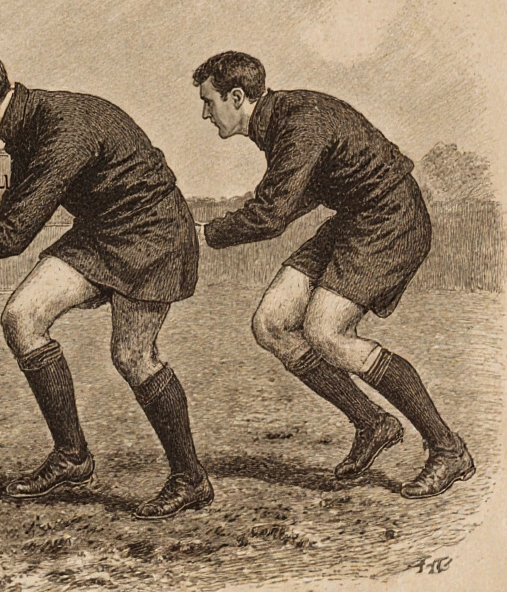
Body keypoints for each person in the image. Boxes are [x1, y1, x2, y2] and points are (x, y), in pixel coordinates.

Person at [0, 53, 210, 519]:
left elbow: (12, 233)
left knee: (133, 355)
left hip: (153, 233)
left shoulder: (59, 131)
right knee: (22, 316)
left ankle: (190, 478)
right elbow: (12, 215)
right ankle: (72, 456)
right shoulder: (24, 126)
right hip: (102, 232)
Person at [194, 51, 472, 498]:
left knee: (326, 331)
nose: (205, 113)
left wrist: (208, 233)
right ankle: (373, 422)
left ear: (237, 96)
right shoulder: (278, 122)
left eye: (209, 102)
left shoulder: (297, 123)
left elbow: (271, 214)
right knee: (271, 324)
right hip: (355, 219)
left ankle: (448, 448)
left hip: (390, 219)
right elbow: (301, 193)